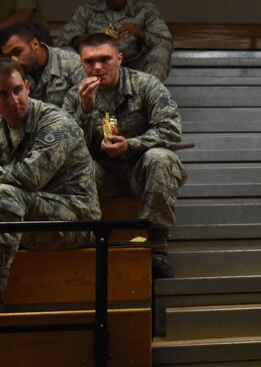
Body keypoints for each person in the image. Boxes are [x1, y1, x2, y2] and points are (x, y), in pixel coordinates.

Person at [0, 59, 100, 312]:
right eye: (3, 95)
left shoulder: (56, 123)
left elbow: (30, 177)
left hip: (74, 219)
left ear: (28, 87)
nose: (14, 100)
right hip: (23, 218)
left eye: (17, 90)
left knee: (0, 195)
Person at [63, 34, 185, 278]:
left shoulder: (146, 85)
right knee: (71, 168)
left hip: (137, 170)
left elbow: (171, 130)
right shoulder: (74, 95)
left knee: (162, 158)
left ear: (119, 58)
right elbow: (66, 147)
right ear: (81, 64)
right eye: (89, 62)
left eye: (104, 59)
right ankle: (83, 241)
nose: (97, 67)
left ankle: (155, 247)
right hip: (100, 173)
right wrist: (85, 109)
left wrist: (131, 145)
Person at [56, 0, 174, 82]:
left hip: (134, 68)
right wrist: (85, 40)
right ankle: (84, 95)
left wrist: (141, 34)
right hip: (97, 68)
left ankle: (147, 95)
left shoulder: (144, 10)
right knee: (66, 53)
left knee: (161, 52)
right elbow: (62, 42)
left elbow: (166, 43)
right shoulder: (87, 10)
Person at [0, 23, 85, 108]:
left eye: (17, 52)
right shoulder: (13, 71)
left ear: (35, 44)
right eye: (8, 56)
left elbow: (83, 111)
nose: (14, 60)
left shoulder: (73, 64)